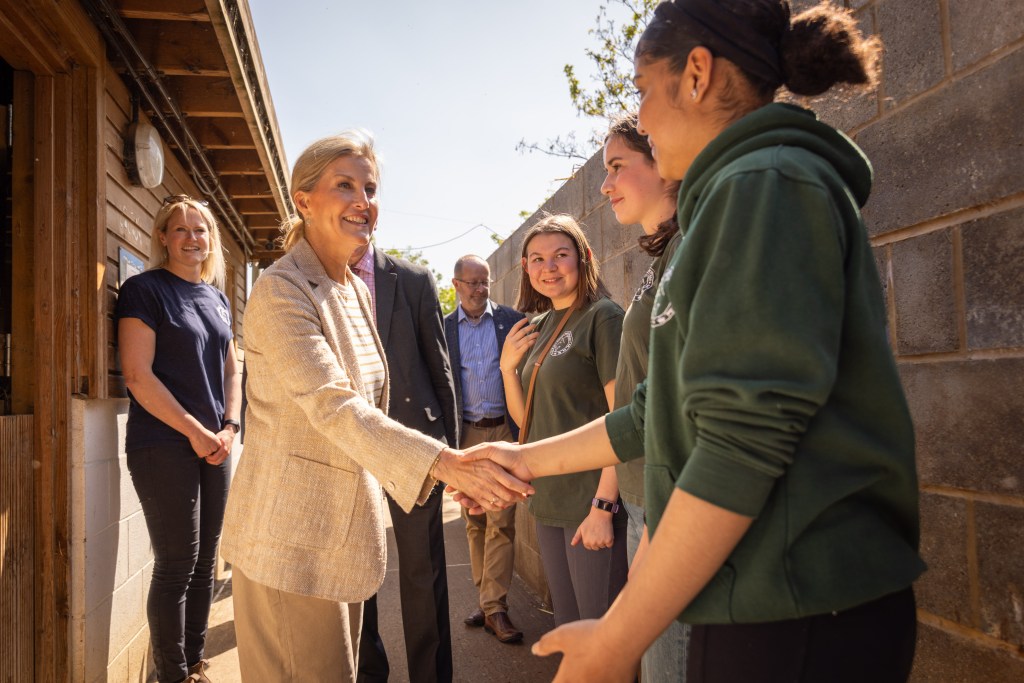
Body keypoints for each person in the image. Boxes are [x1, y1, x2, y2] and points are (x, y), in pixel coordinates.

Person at [462, 2, 926, 681]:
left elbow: (742, 438)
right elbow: (659, 411)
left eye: (646, 91)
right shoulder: (724, 202)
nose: (642, 117)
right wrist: (524, 458)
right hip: (756, 598)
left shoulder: (763, 182)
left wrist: (620, 635)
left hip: (793, 611)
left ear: (698, 75)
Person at [219, 130, 532, 681]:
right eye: (345, 185)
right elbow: (334, 406)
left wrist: (445, 464)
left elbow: (377, 409)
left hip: (338, 540)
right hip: (288, 545)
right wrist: (443, 461)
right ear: (303, 199)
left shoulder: (354, 290)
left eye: (370, 187)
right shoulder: (280, 290)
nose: (364, 200)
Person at [117, 195, 241, 683]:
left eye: (201, 229)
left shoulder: (217, 297)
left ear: (211, 240)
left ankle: (194, 663)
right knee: (176, 564)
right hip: (163, 444)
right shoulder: (144, 291)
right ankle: (172, 675)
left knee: (206, 562)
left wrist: (229, 428)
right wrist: (196, 431)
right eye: (181, 229)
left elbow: (233, 368)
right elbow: (136, 374)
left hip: (215, 444)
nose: (193, 238)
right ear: (164, 237)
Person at [499, 214, 627, 629]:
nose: (548, 267)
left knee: (599, 632)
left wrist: (603, 507)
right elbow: (528, 421)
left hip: (590, 500)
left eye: (560, 255)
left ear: (584, 257)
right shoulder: (539, 325)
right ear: (525, 268)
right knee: (569, 627)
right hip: (549, 498)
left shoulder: (603, 317)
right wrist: (506, 369)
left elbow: (624, 420)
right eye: (536, 259)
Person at [600, 112, 688, 682]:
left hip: (668, 504)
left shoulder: (692, 248)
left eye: (617, 167)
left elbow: (678, 406)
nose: (605, 185)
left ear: (663, 163)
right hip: (641, 497)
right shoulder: (658, 260)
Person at [352, 229, 458, 683]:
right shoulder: (318, 280)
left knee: (423, 567)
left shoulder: (413, 279)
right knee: (358, 569)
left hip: (415, 440)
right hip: (351, 442)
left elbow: (440, 363)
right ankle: (369, 673)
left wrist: (450, 449)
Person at [444, 255, 527, 643]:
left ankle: (495, 607)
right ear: (456, 285)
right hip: (467, 438)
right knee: (474, 522)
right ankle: (486, 599)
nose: (479, 290)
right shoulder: (443, 329)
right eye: (472, 283)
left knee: (501, 522)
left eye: (485, 283)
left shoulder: (510, 321)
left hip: (505, 435)